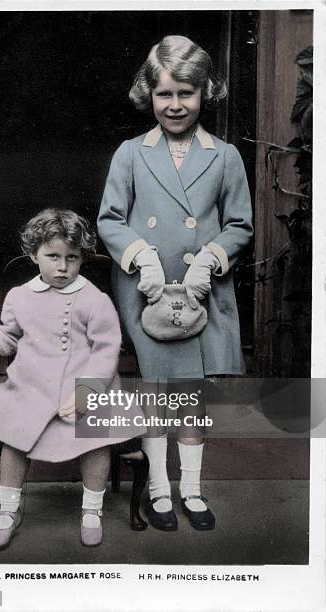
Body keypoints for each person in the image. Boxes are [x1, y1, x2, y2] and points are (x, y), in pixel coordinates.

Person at [97, 35, 253, 531]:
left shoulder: (225, 156)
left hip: (200, 291)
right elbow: (111, 219)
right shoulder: (130, 153)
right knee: (158, 393)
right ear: (149, 94)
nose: (176, 105)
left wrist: (212, 257)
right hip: (149, 291)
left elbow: (240, 226)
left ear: (205, 92)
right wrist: (140, 257)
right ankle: (159, 491)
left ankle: (192, 489)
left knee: (191, 395)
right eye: (165, 94)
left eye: (186, 93)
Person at [0, 208, 125, 549]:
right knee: (14, 434)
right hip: (33, 385)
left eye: (72, 258)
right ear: (33, 254)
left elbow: (107, 348)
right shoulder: (20, 296)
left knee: (96, 435)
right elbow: (8, 336)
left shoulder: (95, 300)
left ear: (82, 258)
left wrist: (89, 389)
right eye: (52, 256)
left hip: (84, 384)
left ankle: (92, 510)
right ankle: (9, 510)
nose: (62, 266)